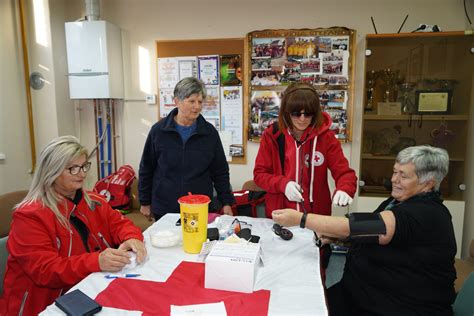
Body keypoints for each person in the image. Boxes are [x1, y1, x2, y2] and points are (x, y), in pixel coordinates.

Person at [272, 145, 456, 315]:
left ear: (428, 183)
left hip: (396, 306)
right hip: (360, 293)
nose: (394, 179)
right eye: (394, 172)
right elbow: (367, 234)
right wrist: (337, 238)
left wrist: (301, 219)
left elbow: (362, 227)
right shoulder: (398, 201)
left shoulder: (428, 214)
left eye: (403, 176)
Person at [0, 136, 146, 315]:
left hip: (87, 287)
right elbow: (45, 271)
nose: (82, 174)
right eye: (73, 168)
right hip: (45, 303)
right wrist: (97, 261)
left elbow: (120, 224)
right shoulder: (30, 216)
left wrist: (131, 238)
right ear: (52, 171)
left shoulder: (93, 201)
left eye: (84, 166)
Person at [254, 82, 357, 218]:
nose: (302, 119)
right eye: (296, 113)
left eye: (308, 114)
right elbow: (260, 175)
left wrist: (345, 189)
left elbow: (344, 173)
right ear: (286, 111)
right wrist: (283, 185)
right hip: (281, 213)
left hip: (316, 216)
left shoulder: (326, 137)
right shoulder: (272, 135)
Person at [139, 77, 234, 220]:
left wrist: (226, 202)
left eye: (200, 102)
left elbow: (220, 171)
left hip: (199, 208)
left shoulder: (209, 133)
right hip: (165, 208)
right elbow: (146, 168)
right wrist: (145, 201)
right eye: (192, 101)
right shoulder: (158, 131)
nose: (197, 107)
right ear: (177, 101)